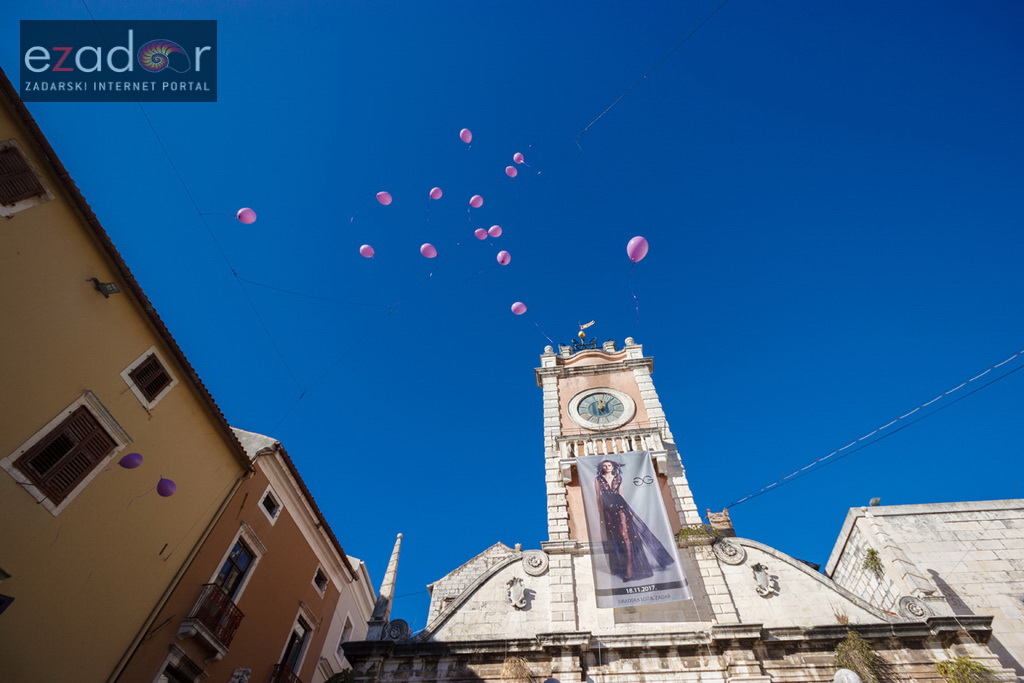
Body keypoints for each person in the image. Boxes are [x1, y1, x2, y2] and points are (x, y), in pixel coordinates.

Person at [595, 460, 675, 582]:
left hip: (620, 506)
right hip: (607, 509)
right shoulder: (598, 479)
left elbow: (621, 494)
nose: (607, 467)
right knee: (615, 537)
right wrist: (600, 513)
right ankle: (621, 566)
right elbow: (597, 496)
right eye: (605, 466)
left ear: (613, 466)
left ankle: (630, 568)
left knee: (626, 535)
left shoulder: (618, 478)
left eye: (609, 465)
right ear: (602, 467)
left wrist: (629, 510)